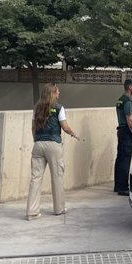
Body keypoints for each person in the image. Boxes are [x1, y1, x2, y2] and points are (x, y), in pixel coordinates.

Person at [26, 83, 79, 220]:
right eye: (57, 92)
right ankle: (59, 208)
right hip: (53, 145)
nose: (59, 94)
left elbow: (33, 127)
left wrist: (36, 140)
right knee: (57, 177)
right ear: (53, 93)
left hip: (38, 144)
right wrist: (73, 134)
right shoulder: (59, 108)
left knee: (35, 179)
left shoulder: (36, 108)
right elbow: (65, 127)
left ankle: (32, 212)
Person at [114, 78, 132, 196]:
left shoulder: (120, 100)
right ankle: (123, 187)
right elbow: (130, 120)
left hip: (121, 131)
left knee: (120, 158)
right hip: (126, 132)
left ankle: (118, 185)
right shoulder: (127, 101)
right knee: (125, 160)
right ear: (130, 87)